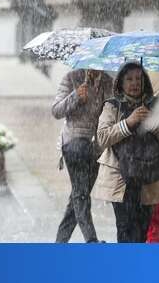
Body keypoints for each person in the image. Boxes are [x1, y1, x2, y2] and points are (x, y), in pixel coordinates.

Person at [93, 62, 159, 243]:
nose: (134, 83)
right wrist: (128, 122)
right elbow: (102, 138)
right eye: (129, 79)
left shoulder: (154, 105)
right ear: (120, 82)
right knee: (124, 229)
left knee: (143, 229)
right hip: (120, 178)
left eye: (138, 78)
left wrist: (152, 124)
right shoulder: (112, 106)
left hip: (148, 177)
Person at [51, 68, 113, 243]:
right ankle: (91, 241)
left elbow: (113, 110)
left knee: (79, 195)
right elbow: (56, 111)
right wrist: (75, 96)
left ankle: (60, 242)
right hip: (74, 143)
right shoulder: (72, 77)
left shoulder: (107, 81)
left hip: (95, 146)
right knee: (81, 193)